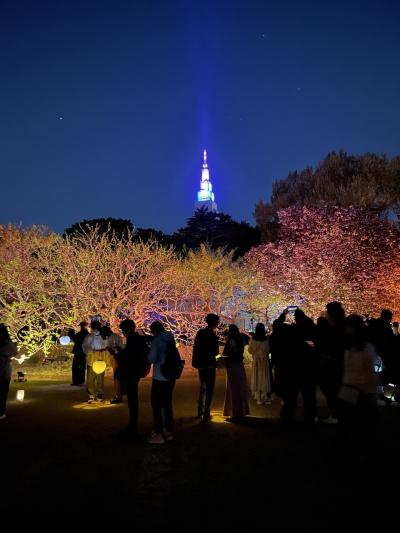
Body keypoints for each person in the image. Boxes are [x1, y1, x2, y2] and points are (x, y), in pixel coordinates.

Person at [338, 314, 379, 445]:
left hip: (358, 389)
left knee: (354, 421)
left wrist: (371, 391)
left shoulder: (364, 348)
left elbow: (371, 371)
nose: (345, 330)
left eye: (347, 327)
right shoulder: (356, 346)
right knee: (350, 421)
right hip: (353, 387)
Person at [116, 319, 149, 438]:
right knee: (132, 399)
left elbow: (127, 359)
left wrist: (117, 354)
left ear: (128, 330)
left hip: (132, 372)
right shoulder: (138, 340)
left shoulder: (133, 341)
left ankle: (133, 427)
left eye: (123, 331)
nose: (123, 333)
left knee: (133, 399)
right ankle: (132, 425)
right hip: (135, 372)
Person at [147, 321, 176, 444]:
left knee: (156, 404)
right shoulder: (170, 339)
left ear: (154, 331)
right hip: (170, 376)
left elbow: (152, 358)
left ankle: (158, 432)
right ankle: (168, 431)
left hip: (159, 377)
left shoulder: (157, 341)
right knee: (167, 403)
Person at [318, 301, 346, 424]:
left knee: (334, 391)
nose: (326, 315)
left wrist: (326, 357)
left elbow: (335, 349)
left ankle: (337, 415)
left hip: (336, 368)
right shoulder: (341, 328)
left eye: (327, 313)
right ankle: (339, 414)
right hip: (340, 368)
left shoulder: (336, 330)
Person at [192, 313, 220, 421]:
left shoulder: (200, 333)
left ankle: (200, 410)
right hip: (210, 365)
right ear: (213, 323)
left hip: (201, 365)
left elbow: (196, 348)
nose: (218, 324)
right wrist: (217, 360)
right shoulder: (212, 336)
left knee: (202, 387)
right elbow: (215, 352)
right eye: (217, 322)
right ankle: (206, 412)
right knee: (209, 389)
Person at [222, 324, 250, 421]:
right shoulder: (240, 341)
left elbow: (225, 353)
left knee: (232, 388)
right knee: (240, 387)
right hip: (239, 365)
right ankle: (241, 411)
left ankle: (234, 413)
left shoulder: (230, 341)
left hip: (232, 365)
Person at [82, 320, 110, 403]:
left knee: (91, 378)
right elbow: (107, 346)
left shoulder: (89, 336)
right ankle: (99, 394)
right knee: (100, 378)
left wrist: (90, 352)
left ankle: (92, 394)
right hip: (100, 360)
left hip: (92, 360)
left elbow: (84, 347)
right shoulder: (103, 336)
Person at [248, 323, 272, 405]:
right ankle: (264, 396)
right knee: (264, 377)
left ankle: (258, 397)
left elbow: (250, 351)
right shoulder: (266, 340)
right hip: (264, 361)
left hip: (256, 361)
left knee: (257, 377)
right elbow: (268, 350)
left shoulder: (252, 340)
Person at [100, 325, 124, 404]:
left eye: (101, 334)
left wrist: (108, 349)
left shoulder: (112, 338)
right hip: (117, 358)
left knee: (117, 377)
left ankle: (118, 396)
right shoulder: (114, 336)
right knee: (118, 377)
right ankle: (119, 394)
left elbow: (116, 350)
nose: (101, 336)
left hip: (117, 359)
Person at [0, 324, 17, 420]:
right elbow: (14, 351)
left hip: (4, 371)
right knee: (2, 393)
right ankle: (1, 412)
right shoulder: (7, 345)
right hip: (4, 372)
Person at [70, 321, 89, 386]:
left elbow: (75, 339)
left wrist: (71, 333)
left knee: (76, 367)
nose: (80, 327)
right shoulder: (87, 334)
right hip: (84, 353)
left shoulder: (82, 334)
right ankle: (80, 380)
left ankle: (77, 381)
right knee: (82, 367)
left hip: (79, 352)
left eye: (81, 326)